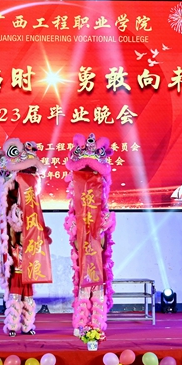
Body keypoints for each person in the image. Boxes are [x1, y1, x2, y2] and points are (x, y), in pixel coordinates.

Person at [0, 138, 53, 337]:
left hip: (28, 260)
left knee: (28, 295)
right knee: (15, 293)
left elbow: (40, 167)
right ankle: (12, 325)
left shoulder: (30, 201)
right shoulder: (13, 213)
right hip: (16, 260)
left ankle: (27, 325)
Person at [64, 133, 115, 336]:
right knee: (84, 281)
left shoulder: (102, 213)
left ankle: (97, 323)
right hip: (83, 242)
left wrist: (102, 228)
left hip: (97, 243)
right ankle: (81, 322)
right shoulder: (76, 212)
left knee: (98, 279)